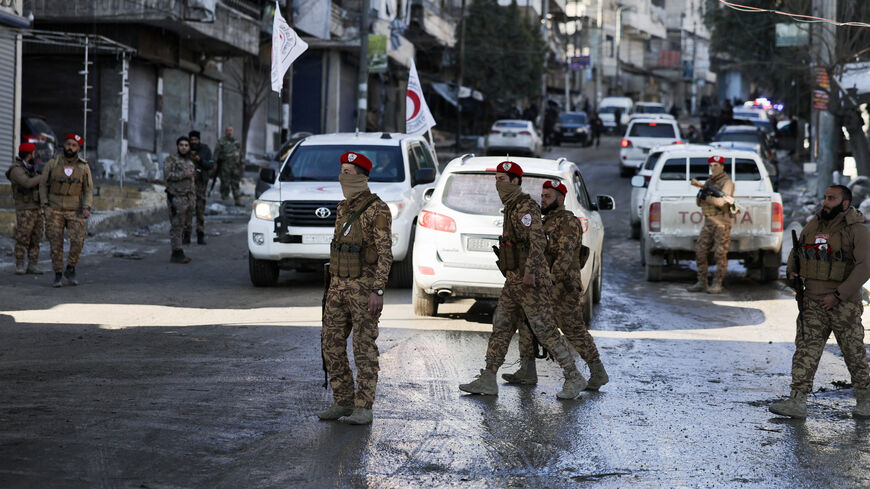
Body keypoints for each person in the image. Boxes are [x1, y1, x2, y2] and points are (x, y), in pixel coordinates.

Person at [458, 161, 586, 399]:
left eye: (503, 180)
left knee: (546, 330)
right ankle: (488, 377)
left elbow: (538, 242)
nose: (498, 184)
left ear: (516, 181)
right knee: (502, 326)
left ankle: (573, 376)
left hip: (530, 282)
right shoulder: (511, 206)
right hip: (514, 281)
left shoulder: (525, 207)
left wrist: (530, 272)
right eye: (496, 179)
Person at [769, 185, 870, 419]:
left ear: (845, 204)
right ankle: (797, 401)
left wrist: (838, 296)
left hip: (843, 305)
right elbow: (798, 250)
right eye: (825, 197)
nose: (826, 202)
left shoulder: (857, 230)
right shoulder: (814, 224)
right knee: (805, 351)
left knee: (853, 352)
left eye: (831, 199)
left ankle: (865, 399)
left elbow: (864, 267)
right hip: (812, 302)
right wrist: (792, 271)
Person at [503, 180, 609, 390]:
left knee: (572, 329)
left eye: (548, 196)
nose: (543, 200)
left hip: (563, 286)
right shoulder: (544, 221)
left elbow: (566, 256)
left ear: (560, 199)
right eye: (542, 196)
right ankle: (527, 369)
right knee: (527, 322)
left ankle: (597, 372)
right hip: (543, 285)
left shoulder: (568, 222)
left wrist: (552, 280)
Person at [318, 151, 393, 425]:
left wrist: (378, 291)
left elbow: (385, 254)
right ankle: (343, 401)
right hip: (337, 287)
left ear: (361, 176)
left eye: (347, 172)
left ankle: (364, 406)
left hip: (364, 291)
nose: (342, 176)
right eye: (341, 171)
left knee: (363, 348)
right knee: (331, 344)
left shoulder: (378, 209)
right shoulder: (342, 208)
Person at [39, 133, 93, 287]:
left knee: (78, 239)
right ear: (64, 144)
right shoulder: (53, 163)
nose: (70, 147)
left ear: (78, 148)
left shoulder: (83, 166)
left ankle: (70, 268)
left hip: (74, 209)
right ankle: (57, 273)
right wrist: (45, 205)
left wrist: (86, 207)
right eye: (68, 144)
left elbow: (88, 189)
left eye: (74, 145)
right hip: (54, 209)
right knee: (55, 243)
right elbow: (43, 184)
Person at [686, 155, 735, 294]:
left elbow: (721, 202)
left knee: (720, 254)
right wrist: (701, 195)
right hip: (709, 222)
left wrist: (707, 197)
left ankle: (717, 283)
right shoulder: (709, 182)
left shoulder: (727, 182)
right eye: (711, 165)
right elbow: (699, 202)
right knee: (700, 251)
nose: (713, 168)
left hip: (721, 223)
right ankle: (702, 281)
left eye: (716, 165)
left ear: (722, 166)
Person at [6, 143, 44, 275]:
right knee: (23, 237)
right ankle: (20, 264)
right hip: (25, 209)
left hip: (37, 207)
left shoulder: (33, 168)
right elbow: (27, 183)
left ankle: (33, 264)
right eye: (33, 153)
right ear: (30, 155)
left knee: (36, 238)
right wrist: (42, 176)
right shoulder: (16, 170)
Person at [163, 136, 196, 264]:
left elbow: (191, 182)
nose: (184, 147)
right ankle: (176, 253)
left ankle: (180, 250)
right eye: (181, 145)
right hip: (176, 198)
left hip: (187, 198)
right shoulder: (170, 160)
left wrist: (193, 199)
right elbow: (167, 176)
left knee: (184, 226)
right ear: (177, 146)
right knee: (176, 226)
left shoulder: (189, 162)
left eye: (186, 145)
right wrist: (184, 174)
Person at [188, 130, 213, 245]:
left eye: (195, 139)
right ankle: (186, 235)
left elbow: (210, 165)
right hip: (187, 184)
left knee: (200, 209)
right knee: (187, 209)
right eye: (191, 140)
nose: (193, 142)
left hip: (200, 184)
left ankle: (200, 234)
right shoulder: (185, 148)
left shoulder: (205, 149)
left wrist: (200, 160)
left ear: (199, 140)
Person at [214, 126, 243, 206]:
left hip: (235, 167)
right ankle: (225, 199)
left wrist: (242, 163)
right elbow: (216, 153)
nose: (229, 132)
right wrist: (215, 163)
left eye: (230, 130)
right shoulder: (221, 142)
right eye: (227, 130)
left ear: (232, 131)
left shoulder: (236, 142)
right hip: (225, 166)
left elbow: (240, 153)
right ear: (225, 132)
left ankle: (237, 200)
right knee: (225, 183)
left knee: (236, 183)